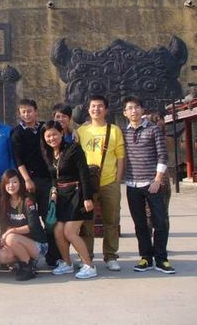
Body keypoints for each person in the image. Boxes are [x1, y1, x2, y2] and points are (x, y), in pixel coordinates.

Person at [122, 97, 175, 274]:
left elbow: (162, 155)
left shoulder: (153, 130)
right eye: (130, 108)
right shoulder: (124, 132)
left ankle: (161, 259)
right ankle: (145, 257)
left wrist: (158, 179)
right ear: (125, 113)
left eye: (137, 107)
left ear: (142, 110)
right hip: (132, 184)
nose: (134, 111)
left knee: (160, 222)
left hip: (152, 184)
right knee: (140, 224)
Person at [42, 120, 97, 279]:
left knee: (70, 232)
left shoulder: (74, 148)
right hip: (61, 197)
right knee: (58, 230)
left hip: (77, 195)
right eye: (48, 136)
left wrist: (87, 198)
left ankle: (89, 265)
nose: (51, 138)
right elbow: (54, 177)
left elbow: (84, 174)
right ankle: (67, 263)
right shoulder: (49, 153)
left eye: (54, 134)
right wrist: (54, 191)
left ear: (61, 133)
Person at [77, 94, 125, 272]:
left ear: (106, 110)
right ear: (88, 110)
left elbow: (120, 157)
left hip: (109, 182)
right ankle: (87, 256)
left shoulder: (114, 130)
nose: (96, 109)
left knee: (111, 221)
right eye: (93, 106)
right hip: (88, 184)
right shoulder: (81, 131)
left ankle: (110, 256)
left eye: (100, 106)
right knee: (87, 222)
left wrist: (117, 180)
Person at [10, 98, 61, 266]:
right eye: (23, 112)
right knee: (29, 219)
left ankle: (53, 256)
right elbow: (18, 159)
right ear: (19, 113)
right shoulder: (17, 132)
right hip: (28, 182)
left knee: (49, 218)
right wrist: (26, 179)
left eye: (29, 111)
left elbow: (59, 134)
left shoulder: (44, 128)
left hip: (46, 180)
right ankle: (29, 256)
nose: (27, 114)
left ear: (36, 111)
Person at [0, 169, 47, 281]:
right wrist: (3, 239)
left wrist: (11, 231)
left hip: (38, 245)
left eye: (14, 182)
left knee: (11, 237)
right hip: (18, 241)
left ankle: (27, 266)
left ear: (20, 183)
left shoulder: (28, 200)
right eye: (7, 182)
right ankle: (24, 261)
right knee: (2, 256)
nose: (11, 185)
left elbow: (33, 226)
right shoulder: (3, 202)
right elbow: (3, 226)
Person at [147, 112, 172, 231]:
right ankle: (161, 241)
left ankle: (149, 240)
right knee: (163, 213)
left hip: (152, 179)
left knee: (148, 213)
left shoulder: (149, 139)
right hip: (163, 178)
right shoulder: (166, 140)